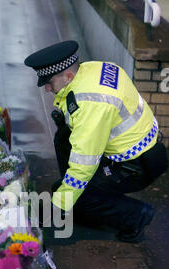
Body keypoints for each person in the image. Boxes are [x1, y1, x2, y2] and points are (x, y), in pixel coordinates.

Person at [24, 40, 168, 242]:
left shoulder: (90, 105)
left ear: (68, 75)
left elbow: (83, 167)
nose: (47, 88)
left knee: (78, 196)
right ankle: (80, 192)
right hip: (138, 149)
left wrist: (58, 206)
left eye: (50, 82)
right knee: (64, 140)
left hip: (135, 166)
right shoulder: (93, 68)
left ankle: (136, 216)